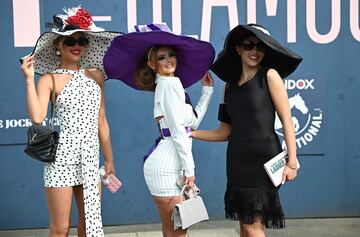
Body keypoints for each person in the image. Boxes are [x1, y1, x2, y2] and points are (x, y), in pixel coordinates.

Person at [103, 23, 215, 237]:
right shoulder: (169, 86)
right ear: (151, 64)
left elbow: (189, 126)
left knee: (172, 230)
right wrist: (188, 169)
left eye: (171, 54)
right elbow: (179, 132)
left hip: (169, 162)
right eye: (161, 57)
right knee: (178, 231)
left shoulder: (172, 85)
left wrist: (207, 92)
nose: (169, 60)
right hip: (168, 167)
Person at [192, 24, 303, 237]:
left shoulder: (270, 76)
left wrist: (292, 162)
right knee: (245, 226)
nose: (255, 51)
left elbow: (287, 120)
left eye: (261, 47)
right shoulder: (229, 86)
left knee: (253, 228)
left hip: (264, 161)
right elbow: (224, 132)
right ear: (238, 49)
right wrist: (190, 133)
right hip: (237, 163)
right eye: (249, 45)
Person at [20, 6, 121, 237]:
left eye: (82, 41)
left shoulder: (96, 75)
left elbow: (101, 119)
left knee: (89, 226)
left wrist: (110, 159)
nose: (76, 45)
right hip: (61, 159)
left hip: (89, 156)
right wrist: (28, 79)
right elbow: (37, 117)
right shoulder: (48, 80)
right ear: (57, 45)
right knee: (60, 228)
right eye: (70, 41)